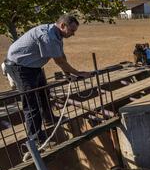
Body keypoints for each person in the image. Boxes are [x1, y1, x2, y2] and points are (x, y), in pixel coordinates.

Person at [3, 14, 91, 144]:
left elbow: (61, 55)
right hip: (20, 67)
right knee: (31, 104)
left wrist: (67, 73)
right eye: (72, 30)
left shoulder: (56, 34)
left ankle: (49, 118)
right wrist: (78, 73)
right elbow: (59, 61)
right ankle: (36, 139)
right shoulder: (48, 36)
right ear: (62, 25)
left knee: (44, 93)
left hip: (32, 65)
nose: (73, 34)